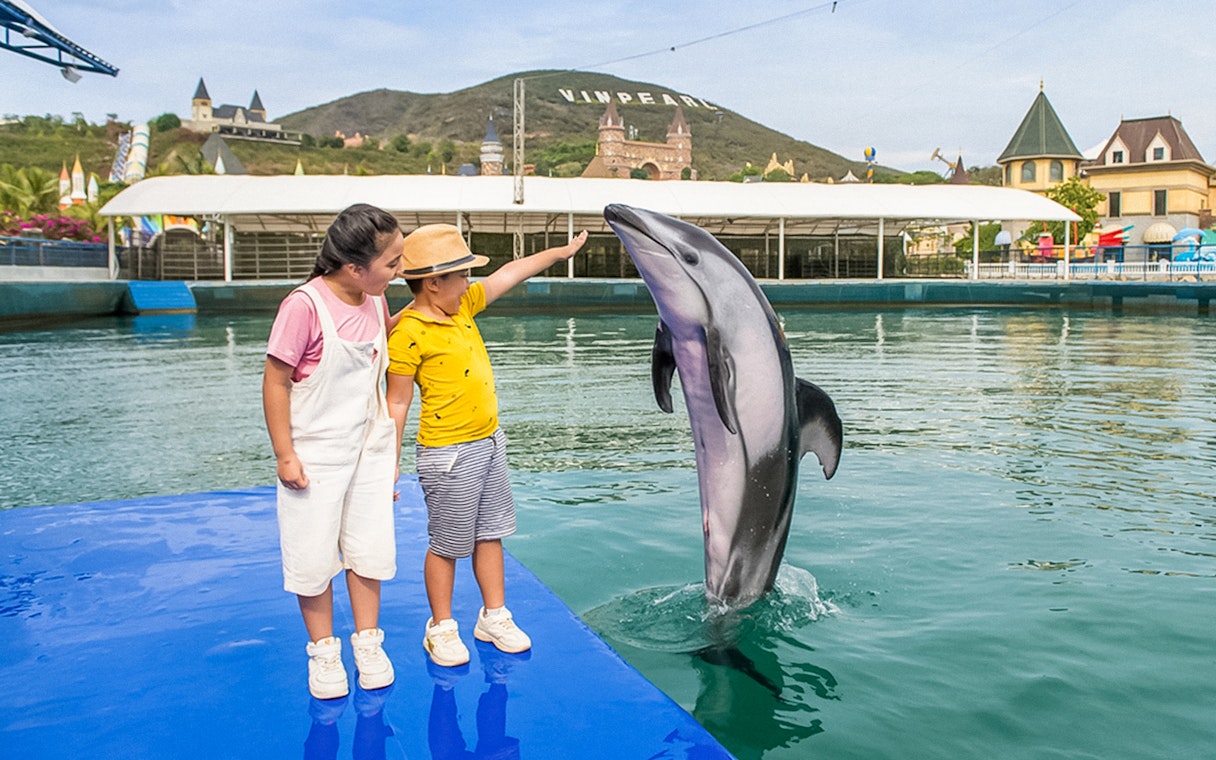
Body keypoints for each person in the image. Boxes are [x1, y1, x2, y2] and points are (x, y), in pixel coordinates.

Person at [386, 224, 587, 667]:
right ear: (433, 282)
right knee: (447, 544)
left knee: (490, 533)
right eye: (461, 275)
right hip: (447, 453)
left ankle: (492, 615)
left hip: (489, 443)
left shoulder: (462, 308)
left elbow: (508, 274)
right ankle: (440, 626)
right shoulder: (409, 333)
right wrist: (389, 463)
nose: (470, 283)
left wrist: (558, 253)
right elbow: (397, 401)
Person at [262, 203, 405, 699]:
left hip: (368, 447)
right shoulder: (304, 306)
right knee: (313, 553)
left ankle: (367, 642)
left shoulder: (375, 301)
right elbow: (276, 381)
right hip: (316, 453)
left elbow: (379, 356)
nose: (399, 270)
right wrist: (285, 454)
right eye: (392, 263)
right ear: (354, 267)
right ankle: (324, 652)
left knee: (368, 549)